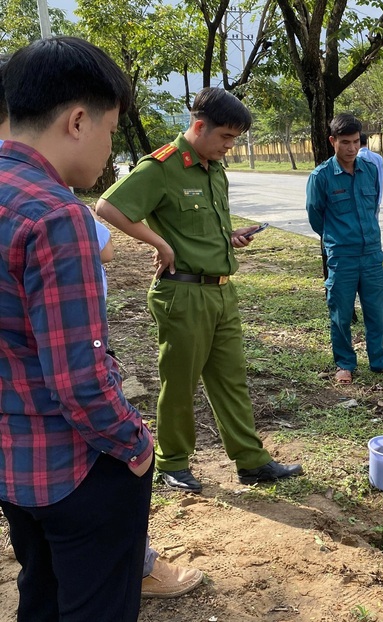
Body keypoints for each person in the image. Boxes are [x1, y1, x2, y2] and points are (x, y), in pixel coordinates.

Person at [0, 36, 153, 622]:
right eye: (112, 131)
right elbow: (80, 381)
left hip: (14, 464)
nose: (111, 147)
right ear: (78, 120)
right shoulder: (57, 215)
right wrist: (135, 447)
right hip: (76, 468)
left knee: (40, 596)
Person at [96, 87, 302, 493]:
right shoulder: (162, 167)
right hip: (183, 293)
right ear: (199, 126)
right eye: (225, 137)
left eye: (234, 139)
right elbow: (107, 207)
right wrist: (160, 243)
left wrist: (230, 237)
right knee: (180, 382)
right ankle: (172, 462)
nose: (230, 146)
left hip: (222, 291)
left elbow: (203, 227)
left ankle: (251, 461)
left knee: (231, 379)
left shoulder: (213, 168)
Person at [91, 210, 204, 598]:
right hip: (74, 362)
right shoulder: (53, 207)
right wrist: (130, 439)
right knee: (112, 467)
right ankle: (136, 568)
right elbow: (103, 244)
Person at [306, 113, 383, 385]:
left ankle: (379, 361)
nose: (351, 148)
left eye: (356, 142)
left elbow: (373, 208)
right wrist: (337, 239)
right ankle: (345, 363)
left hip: (372, 255)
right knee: (340, 312)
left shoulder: (370, 170)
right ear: (332, 141)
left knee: (376, 311)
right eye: (345, 142)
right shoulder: (321, 177)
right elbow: (316, 217)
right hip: (343, 257)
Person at [358, 132, 383, 208]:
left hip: (361, 201)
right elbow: (381, 176)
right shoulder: (378, 158)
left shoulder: (356, 158)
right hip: (376, 199)